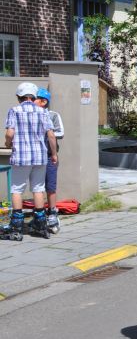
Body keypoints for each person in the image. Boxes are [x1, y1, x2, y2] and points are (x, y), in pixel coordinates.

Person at [2, 83, 57, 241]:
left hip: (21, 157)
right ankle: (40, 224)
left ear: (19, 97)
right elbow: (51, 135)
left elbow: (10, 133)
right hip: (40, 157)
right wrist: (53, 154)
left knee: (17, 189)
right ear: (34, 97)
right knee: (38, 188)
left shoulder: (15, 110)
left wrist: (7, 143)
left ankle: (16, 227)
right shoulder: (42, 112)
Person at [34, 88, 63, 234]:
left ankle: (52, 213)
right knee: (37, 186)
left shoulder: (53, 115)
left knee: (50, 186)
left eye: (35, 99)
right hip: (35, 156)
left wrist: (47, 131)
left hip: (49, 155)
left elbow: (60, 132)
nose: (32, 102)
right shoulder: (31, 115)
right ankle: (39, 214)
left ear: (44, 101)